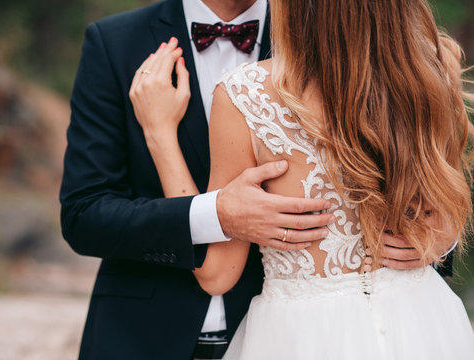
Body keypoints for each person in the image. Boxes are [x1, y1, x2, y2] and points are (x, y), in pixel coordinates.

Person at [61, 0, 457, 359]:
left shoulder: (308, 28)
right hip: (143, 337)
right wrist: (213, 214)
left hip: (286, 337)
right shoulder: (114, 42)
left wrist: (442, 237)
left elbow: (429, 203)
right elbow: (84, 213)